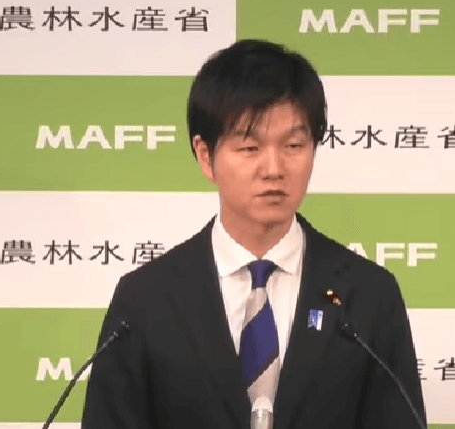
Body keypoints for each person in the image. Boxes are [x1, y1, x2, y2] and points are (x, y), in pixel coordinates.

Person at [81, 39, 426, 429]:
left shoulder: (369, 296)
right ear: (205, 156)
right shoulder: (146, 300)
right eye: (249, 147)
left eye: (293, 145)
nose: (273, 168)